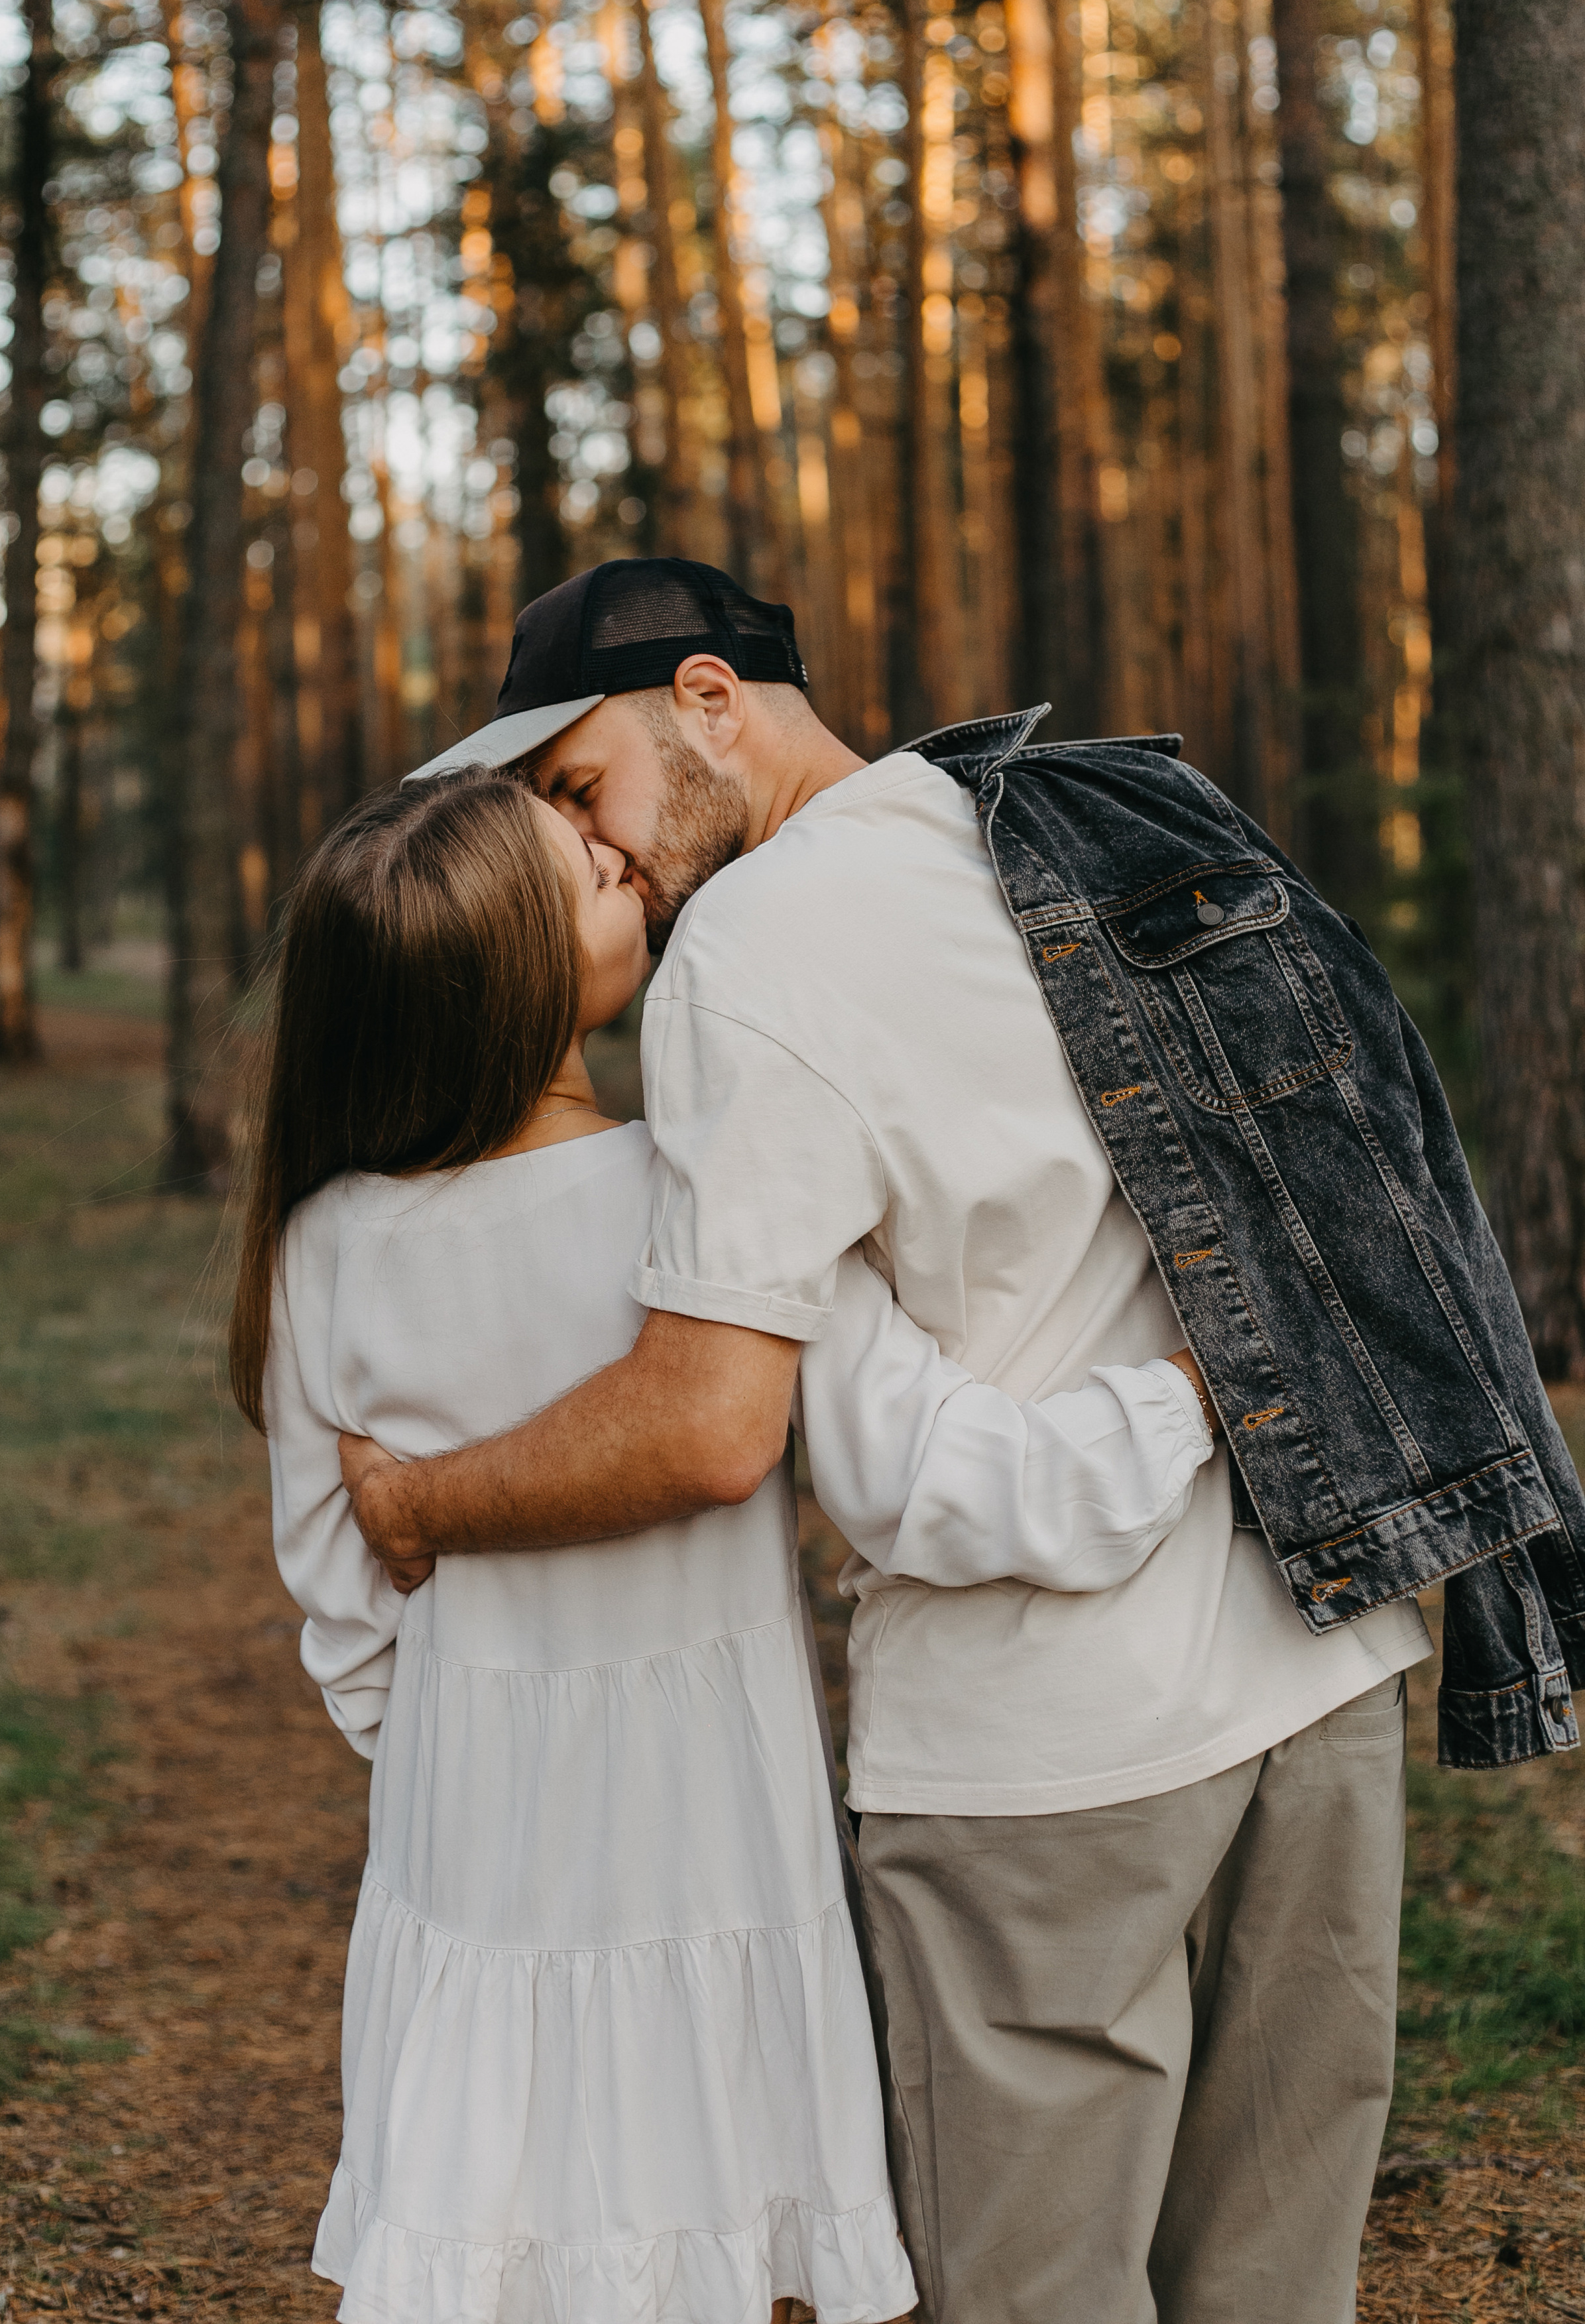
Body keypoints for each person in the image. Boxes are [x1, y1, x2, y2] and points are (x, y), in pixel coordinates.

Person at [335, 555, 1440, 2324]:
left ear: (706, 699)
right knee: (1276, 2283)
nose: (592, 845)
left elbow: (712, 1428)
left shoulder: (752, 959)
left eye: (573, 782)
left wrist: (415, 1495)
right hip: (1320, 1660)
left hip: (1048, 1757)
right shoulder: (1082, 821)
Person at [232, 764, 1222, 2324]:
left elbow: (342, 1610)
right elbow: (928, 1467)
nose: (630, 866)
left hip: (460, 1841)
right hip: (703, 1825)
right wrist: (1186, 1398)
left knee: (493, 2239)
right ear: (518, 979)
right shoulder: (693, 1200)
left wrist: (457, 1755)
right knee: (718, 2235)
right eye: (591, 875)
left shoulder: (320, 1243)